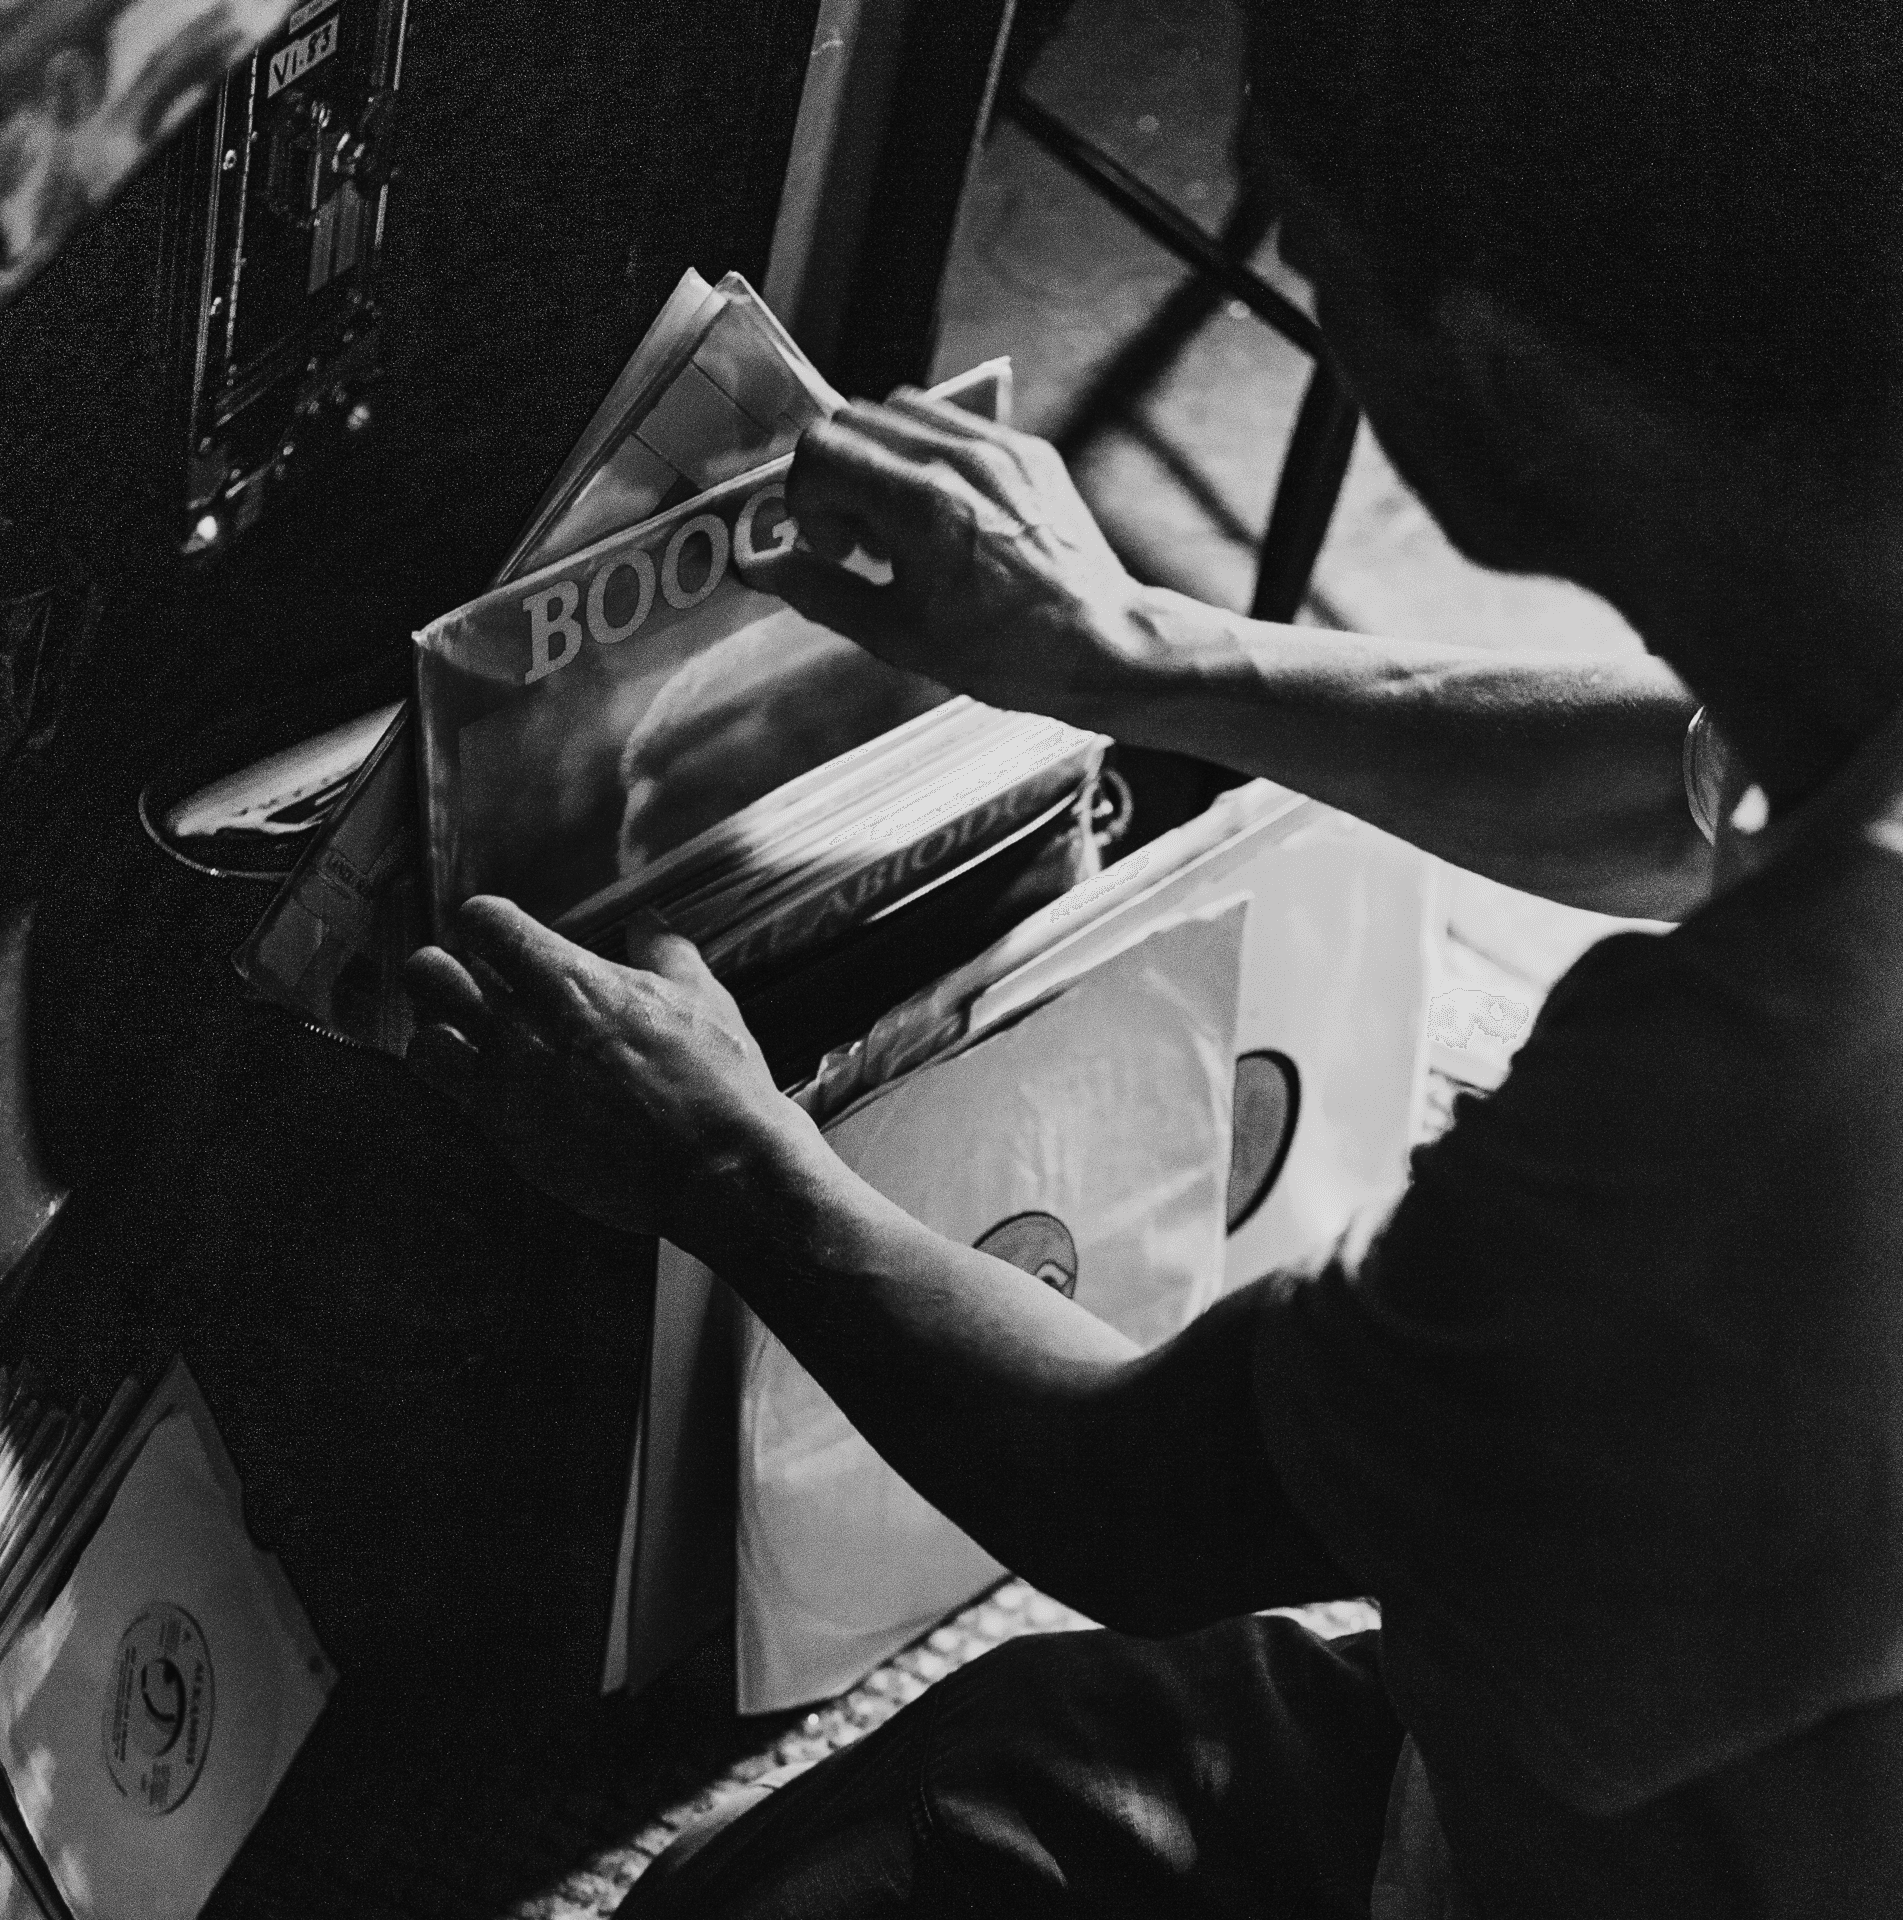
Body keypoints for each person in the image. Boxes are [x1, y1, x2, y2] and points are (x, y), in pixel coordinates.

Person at [402, 3, 1903, 1912]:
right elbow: (1679, 777)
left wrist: (724, 1156)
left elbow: (1146, 1499)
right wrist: (1134, 655)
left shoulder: (1736, 1146)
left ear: (1495, 367)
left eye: (1294, 226)